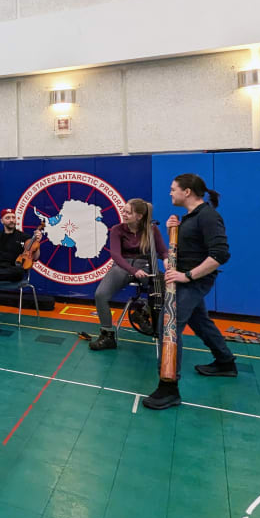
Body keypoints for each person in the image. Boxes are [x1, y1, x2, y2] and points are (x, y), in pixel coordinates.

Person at [142, 174, 234, 411]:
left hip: (192, 281)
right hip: (182, 278)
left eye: (174, 189)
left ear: (188, 192)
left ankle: (169, 387)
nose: (170, 193)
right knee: (200, 321)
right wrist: (176, 229)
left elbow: (220, 254)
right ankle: (225, 362)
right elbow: (191, 247)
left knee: (168, 326)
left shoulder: (208, 216)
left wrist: (187, 276)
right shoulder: (192, 217)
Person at [90, 199, 168, 351]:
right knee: (100, 294)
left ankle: (141, 312)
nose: (123, 214)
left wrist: (166, 259)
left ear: (139, 216)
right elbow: (116, 256)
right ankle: (107, 335)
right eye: (123, 210)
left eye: (128, 212)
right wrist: (133, 271)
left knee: (165, 288)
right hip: (122, 266)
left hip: (145, 266)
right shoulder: (117, 230)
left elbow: (163, 250)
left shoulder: (152, 229)